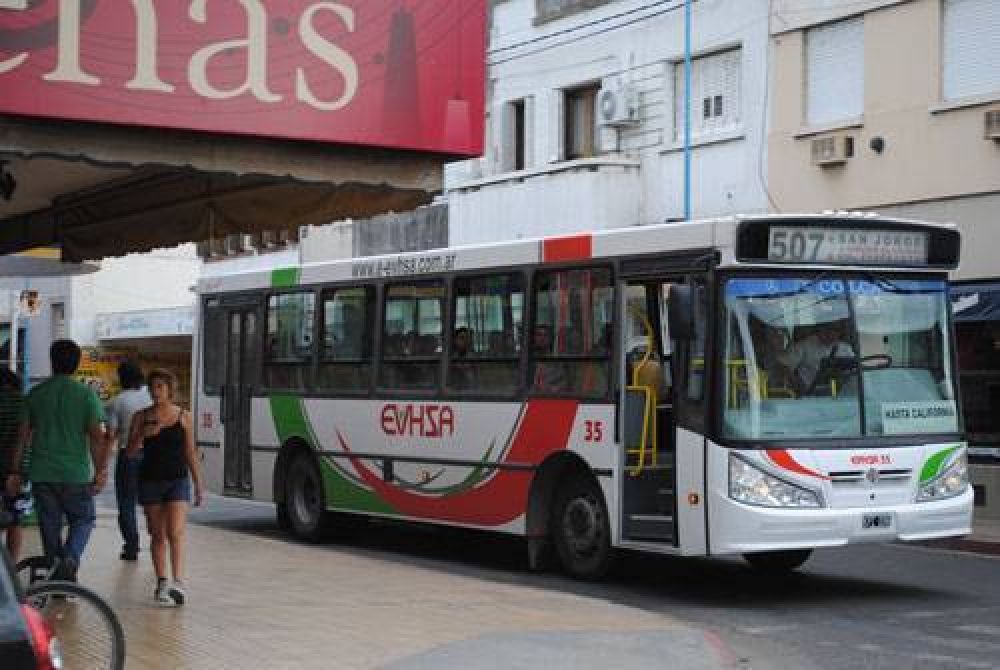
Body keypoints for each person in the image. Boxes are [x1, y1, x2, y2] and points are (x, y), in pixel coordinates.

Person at [5, 339, 109, 582]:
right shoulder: (86, 396)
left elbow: (22, 438)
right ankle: (70, 560)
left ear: (52, 362)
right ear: (76, 364)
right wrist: (101, 470)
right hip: (75, 474)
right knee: (83, 519)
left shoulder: (36, 395)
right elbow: (97, 438)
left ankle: (58, 581)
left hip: (42, 473)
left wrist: (16, 471)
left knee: (50, 528)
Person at [128, 368, 203, 606]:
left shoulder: (184, 417)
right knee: (157, 533)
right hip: (150, 480)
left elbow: (190, 452)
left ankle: (178, 582)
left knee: (176, 532)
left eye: (160, 386)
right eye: (152, 387)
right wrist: (142, 435)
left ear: (170, 389)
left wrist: (198, 483)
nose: (155, 391)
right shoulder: (140, 417)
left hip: (177, 480)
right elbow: (129, 453)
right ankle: (162, 581)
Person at [106, 360, 151, 561]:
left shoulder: (117, 402)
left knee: (126, 502)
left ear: (121, 378)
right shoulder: (151, 396)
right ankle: (158, 539)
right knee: (153, 500)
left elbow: (111, 435)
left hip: (128, 455)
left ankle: (131, 546)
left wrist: (102, 466)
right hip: (152, 454)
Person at [0, 368, 29, 561]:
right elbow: (26, 438)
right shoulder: (23, 402)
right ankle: (11, 567)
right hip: (17, 470)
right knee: (15, 520)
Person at [778, 323, 855, 396]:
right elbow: (784, 366)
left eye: (836, 330)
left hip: (842, 394)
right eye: (828, 329)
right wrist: (797, 386)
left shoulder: (846, 348)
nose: (832, 334)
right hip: (812, 393)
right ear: (819, 330)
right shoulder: (804, 345)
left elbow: (855, 368)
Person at [532, 324, 568, 392]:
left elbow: (564, 384)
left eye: (545, 335)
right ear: (534, 338)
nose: (542, 338)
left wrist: (551, 389)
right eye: (539, 335)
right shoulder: (527, 360)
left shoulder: (557, 362)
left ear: (550, 339)